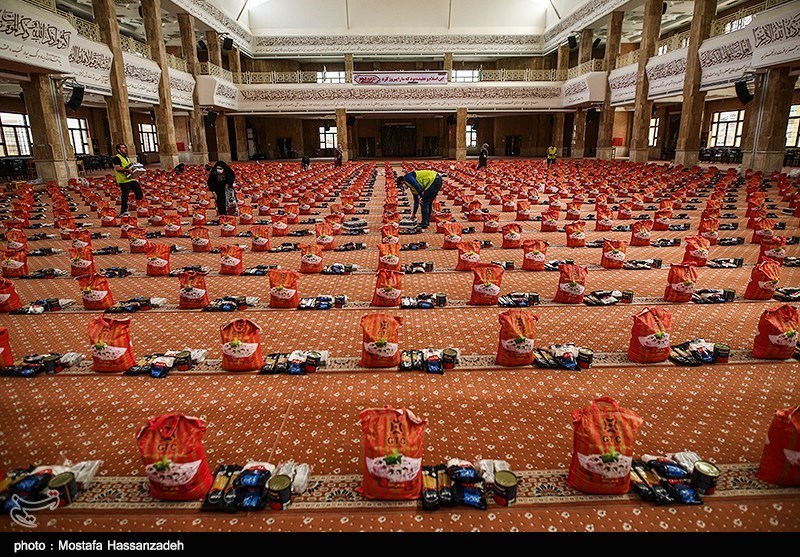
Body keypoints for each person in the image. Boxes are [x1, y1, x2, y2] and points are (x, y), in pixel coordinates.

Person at [113, 143, 144, 215]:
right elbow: (117, 168)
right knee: (125, 196)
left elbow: (130, 167)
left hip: (130, 179)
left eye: (125, 147)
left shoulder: (126, 158)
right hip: (123, 180)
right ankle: (123, 211)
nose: (125, 149)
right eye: (123, 148)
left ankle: (140, 206)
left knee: (139, 192)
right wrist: (127, 170)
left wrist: (138, 171)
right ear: (119, 150)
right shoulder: (117, 158)